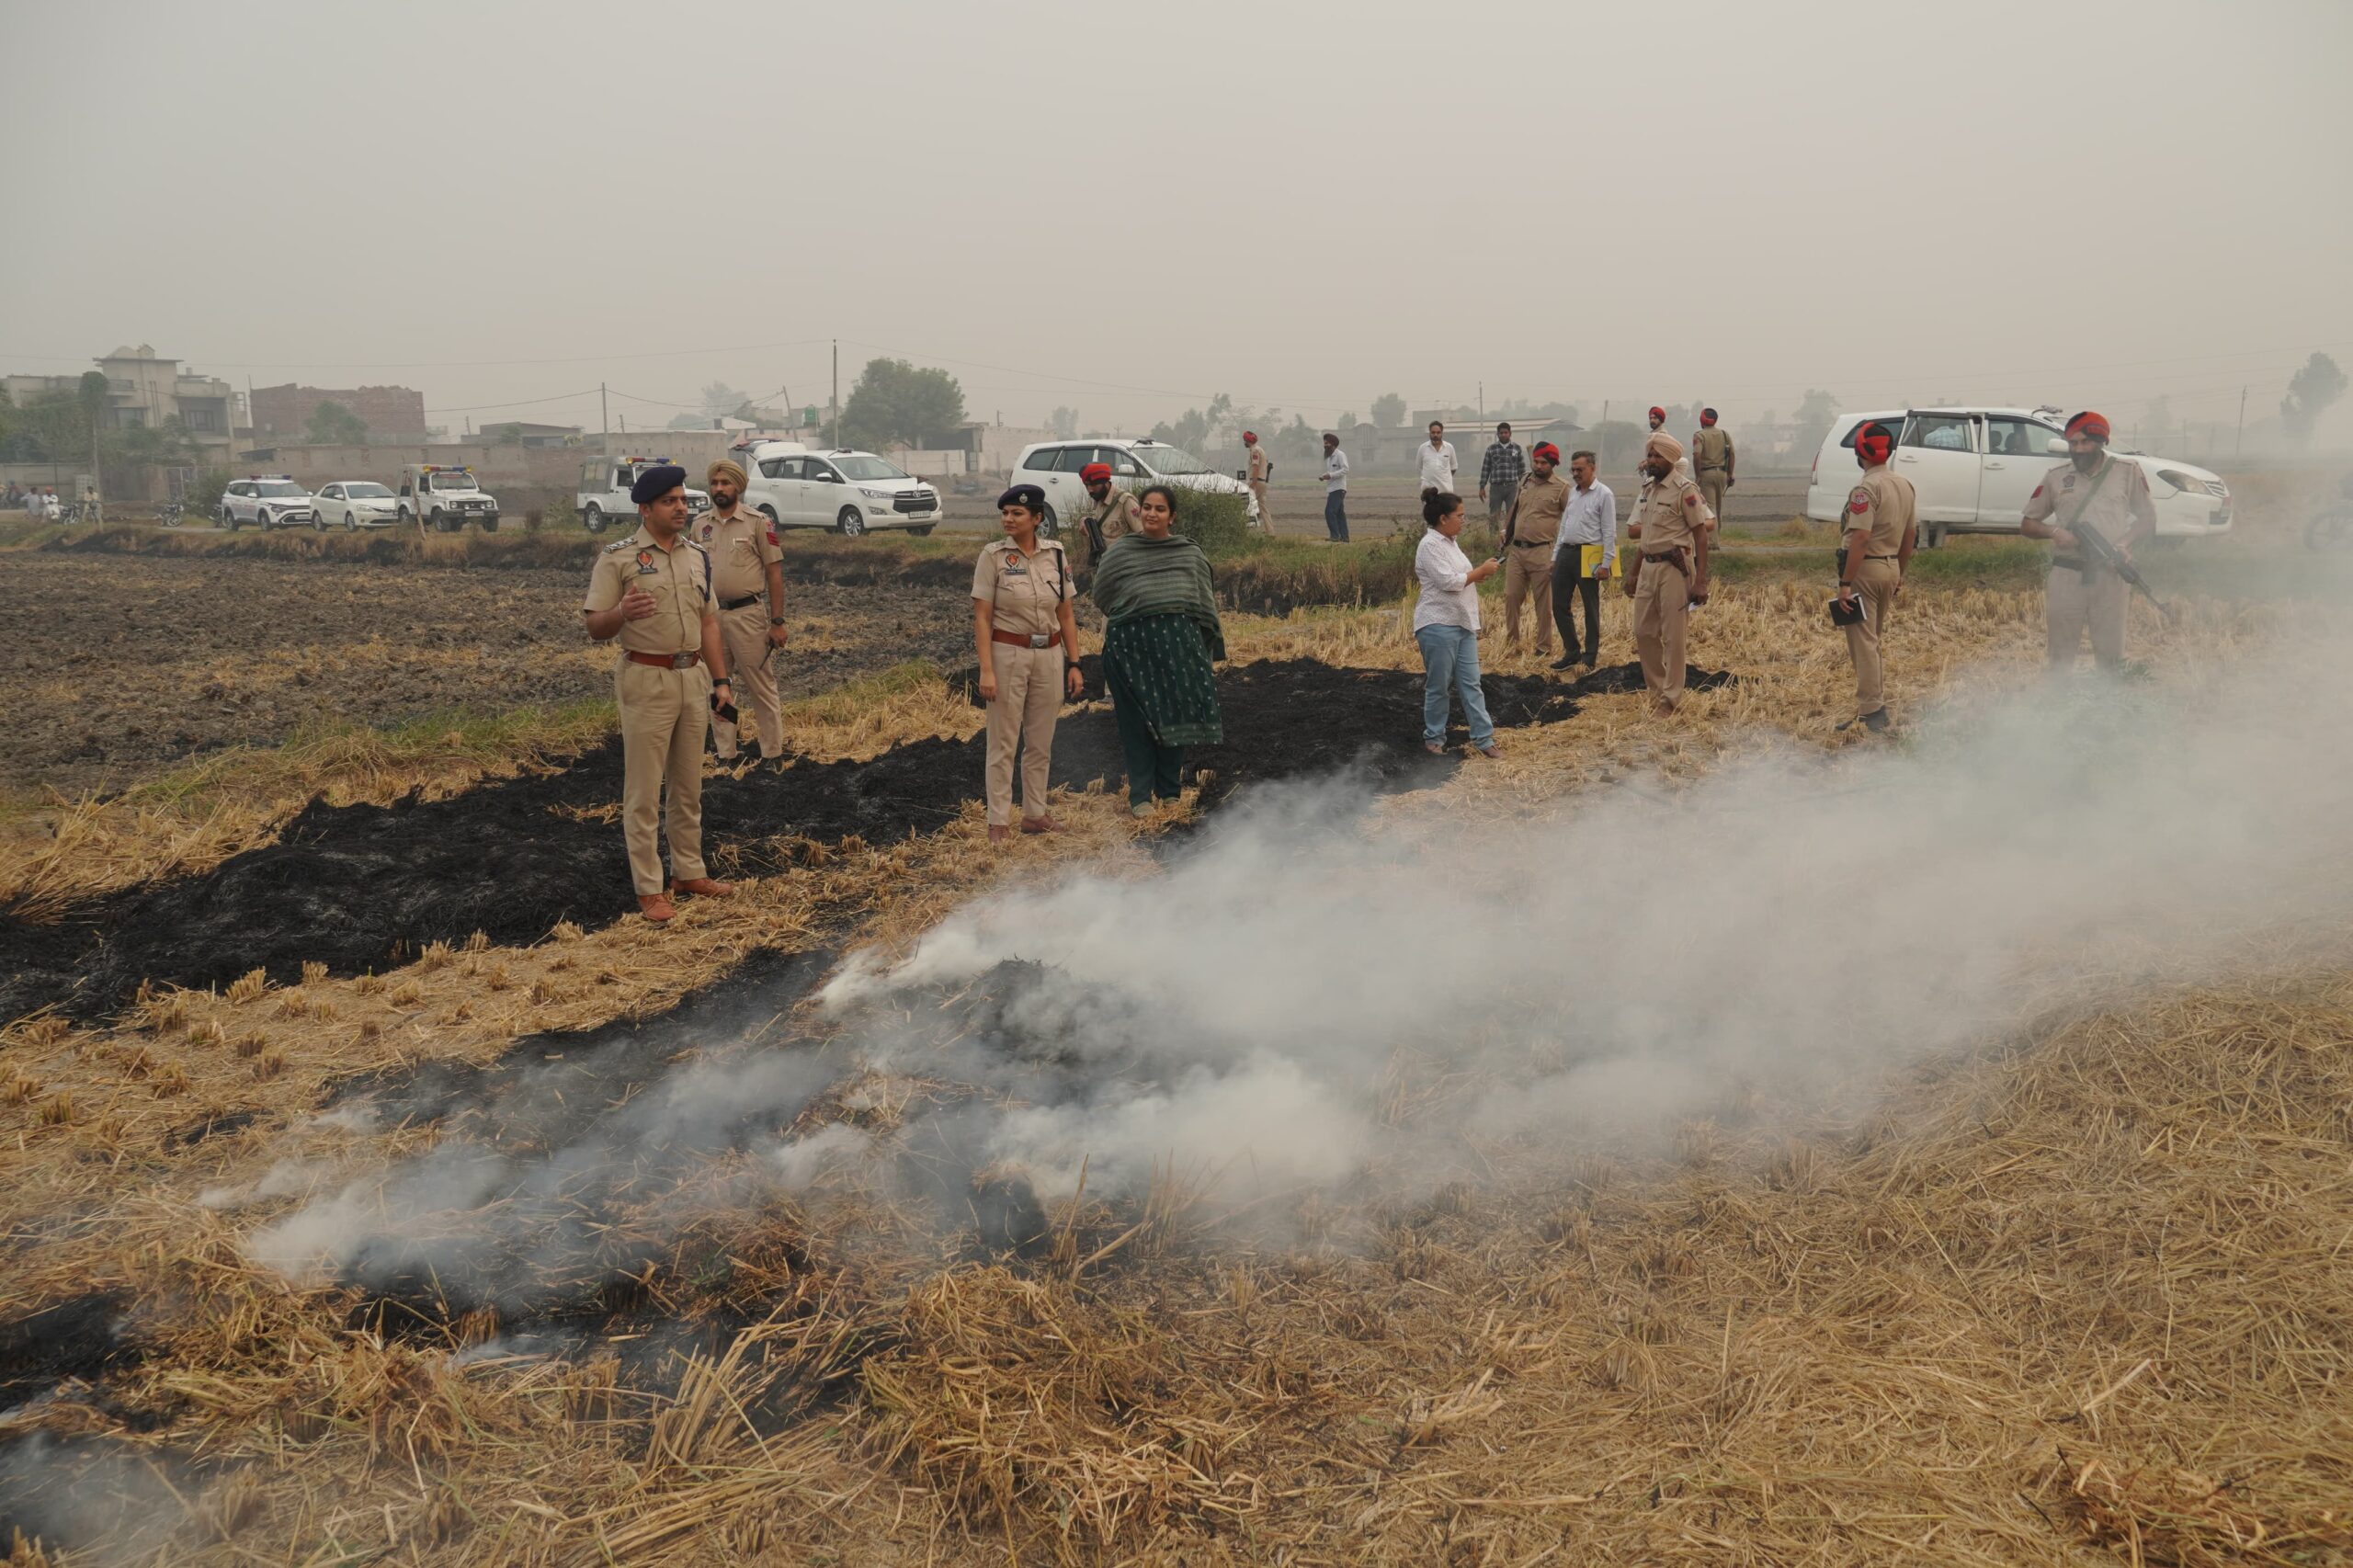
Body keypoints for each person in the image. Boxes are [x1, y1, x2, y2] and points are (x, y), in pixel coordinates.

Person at [581, 463, 735, 922]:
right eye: (670, 502)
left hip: (692, 678)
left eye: (684, 500)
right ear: (645, 509)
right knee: (644, 791)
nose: (681, 508)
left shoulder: (695, 555)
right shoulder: (619, 558)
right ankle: (649, 887)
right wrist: (622, 612)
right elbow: (594, 625)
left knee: (688, 786)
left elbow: (709, 621)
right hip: (646, 679)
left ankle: (688, 871)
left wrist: (722, 680)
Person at [1093, 484, 1226, 816]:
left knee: (1175, 720)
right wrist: (1136, 612)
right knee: (1135, 725)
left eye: (1160, 509)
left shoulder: (1189, 554)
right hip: (1130, 654)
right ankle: (1140, 797)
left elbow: (1202, 604)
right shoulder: (1121, 552)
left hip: (1178, 653)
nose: (1151, 513)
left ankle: (1169, 791)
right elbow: (1102, 595)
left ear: (1172, 516)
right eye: (1146, 507)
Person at [972, 483, 1083, 841]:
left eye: (1017, 513)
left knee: (1040, 741)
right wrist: (987, 669)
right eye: (1005, 513)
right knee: (1003, 741)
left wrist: (1074, 662)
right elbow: (982, 618)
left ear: (1037, 518)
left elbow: (1066, 615)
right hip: (1008, 653)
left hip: (1049, 654)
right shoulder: (993, 557)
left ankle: (1034, 814)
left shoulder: (1057, 555)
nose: (1009, 519)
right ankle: (998, 821)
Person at [2019, 409, 2157, 673]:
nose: (2079, 449)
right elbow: (2027, 524)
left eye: (2085, 442)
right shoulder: (2056, 476)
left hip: (2110, 575)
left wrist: (2124, 544)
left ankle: (2108, 707)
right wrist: (2054, 533)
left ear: (2102, 442)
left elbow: (2147, 518)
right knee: (2060, 656)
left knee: (2111, 657)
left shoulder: (2127, 472)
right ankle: (2058, 705)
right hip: (2067, 575)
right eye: (2073, 443)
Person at [697, 458, 788, 763]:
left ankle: (772, 754)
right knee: (718, 686)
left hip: (747, 616)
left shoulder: (758, 522)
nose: (719, 489)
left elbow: (774, 573)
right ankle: (726, 754)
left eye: (725, 483)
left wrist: (777, 622)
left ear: (739, 486)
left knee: (760, 684)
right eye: (714, 483)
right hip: (711, 618)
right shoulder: (700, 526)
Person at [1834, 421, 1916, 732]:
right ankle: (1874, 704)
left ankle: (1872, 710)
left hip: (1864, 571)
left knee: (1863, 642)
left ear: (1860, 451)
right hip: (1890, 567)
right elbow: (1910, 536)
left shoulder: (1866, 489)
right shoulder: (1905, 485)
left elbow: (1860, 538)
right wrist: (1899, 574)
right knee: (1873, 639)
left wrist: (1845, 583)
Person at [1623, 433, 1710, 717]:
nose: (1651, 461)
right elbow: (1646, 535)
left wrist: (1700, 581)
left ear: (1671, 459)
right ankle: (1657, 690)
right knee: (1643, 631)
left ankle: (1671, 699)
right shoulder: (1649, 489)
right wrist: (1634, 572)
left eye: (1657, 456)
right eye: (1650, 455)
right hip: (1648, 567)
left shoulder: (1686, 490)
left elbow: (1701, 535)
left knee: (1673, 637)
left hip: (1675, 567)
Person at [1413, 490, 1502, 756]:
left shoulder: (1450, 542)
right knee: (1439, 685)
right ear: (1443, 518)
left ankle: (1484, 739)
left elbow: (1461, 575)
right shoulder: (1429, 545)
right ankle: (1434, 739)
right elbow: (1448, 582)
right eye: (1460, 516)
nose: (1464, 521)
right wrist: (1480, 572)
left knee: (1471, 684)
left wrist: (1477, 575)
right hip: (1438, 625)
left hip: (1462, 624)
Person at [1498, 439, 1569, 659]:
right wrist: (1505, 531)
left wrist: (1561, 551)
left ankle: (1543, 648)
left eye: (1543, 463)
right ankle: (1512, 644)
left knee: (1544, 603)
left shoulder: (1562, 488)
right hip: (1517, 551)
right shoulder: (1525, 481)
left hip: (1542, 552)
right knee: (1511, 597)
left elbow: (1570, 519)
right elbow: (1515, 508)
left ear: (1553, 464)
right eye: (1536, 461)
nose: (1538, 466)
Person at [1551, 449, 1618, 670]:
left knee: (1591, 607)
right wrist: (1555, 556)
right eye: (1573, 470)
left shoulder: (1604, 494)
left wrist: (1606, 564)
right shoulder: (1573, 493)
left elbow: (1609, 531)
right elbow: (1564, 526)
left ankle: (1590, 656)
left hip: (1590, 554)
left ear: (1592, 468)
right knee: (1559, 604)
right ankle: (1572, 651)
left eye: (1580, 469)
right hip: (1566, 553)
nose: (1576, 474)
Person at [1074, 460, 1142, 571]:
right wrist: (1085, 520)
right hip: (1106, 566)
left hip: (1127, 567)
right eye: (1087, 485)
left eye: (1093, 485)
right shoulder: (1099, 500)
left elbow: (1143, 534)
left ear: (1105, 482)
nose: (1090, 490)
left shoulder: (1125, 501)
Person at [1479, 421, 1526, 542]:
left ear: (1510, 434)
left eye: (1506, 433)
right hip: (1496, 488)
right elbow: (1486, 468)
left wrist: (1524, 485)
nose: (1503, 435)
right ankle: (1493, 540)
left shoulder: (1517, 449)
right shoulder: (1492, 449)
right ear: (1497, 434)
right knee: (1494, 515)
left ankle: (1510, 539)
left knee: (1512, 514)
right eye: (1501, 433)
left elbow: (1521, 469)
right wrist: (1482, 486)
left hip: (1512, 487)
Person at [1689, 407, 1735, 532]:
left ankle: (1712, 543)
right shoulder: (1724, 434)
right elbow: (1732, 454)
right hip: (1722, 475)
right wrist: (1730, 474)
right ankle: (1717, 538)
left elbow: (1697, 455)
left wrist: (1698, 475)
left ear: (1702, 420)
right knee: (1719, 508)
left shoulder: (1699, 435)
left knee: (1709, 508)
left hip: (1706, 474)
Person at [1416, 420, 1460, 497]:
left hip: (1446, 492)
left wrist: (1444, 477)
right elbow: (1419, 467)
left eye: (1438, 432)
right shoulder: (1422, 448)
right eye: (1433, 432)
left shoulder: (1449, 448)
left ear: (1442, 433)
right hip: (1428, 493)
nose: (1435, 435)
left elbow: (1454, 467)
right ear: (1429, 433)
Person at [1320, 432, 1350, 541]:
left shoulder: (1340, 455)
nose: (1325, 445)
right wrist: (1325, 476)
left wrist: (1331, 475)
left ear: (1333, 444)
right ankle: (1345, 537)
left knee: (1329, 511)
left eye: (1327, 443)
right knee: (1339, 513)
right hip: (1332, 488)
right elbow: (1331, 472)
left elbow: (1345, 469)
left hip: (1339, 488)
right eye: (1324, 443)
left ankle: (1335, 536)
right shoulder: (1329, 458)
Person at [1243, 430, 1273, 532]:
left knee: (1246, 505)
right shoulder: (1260, 449)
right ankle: (1270, 532)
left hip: (1256, 482)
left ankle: (1246, 531)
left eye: (1244, 440)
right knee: (1262, 507)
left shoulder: (1254, 451)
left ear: (1247, 440)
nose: (1244, 442)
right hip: (1262, 482)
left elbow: (1255, 468)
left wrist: (1253, 484)